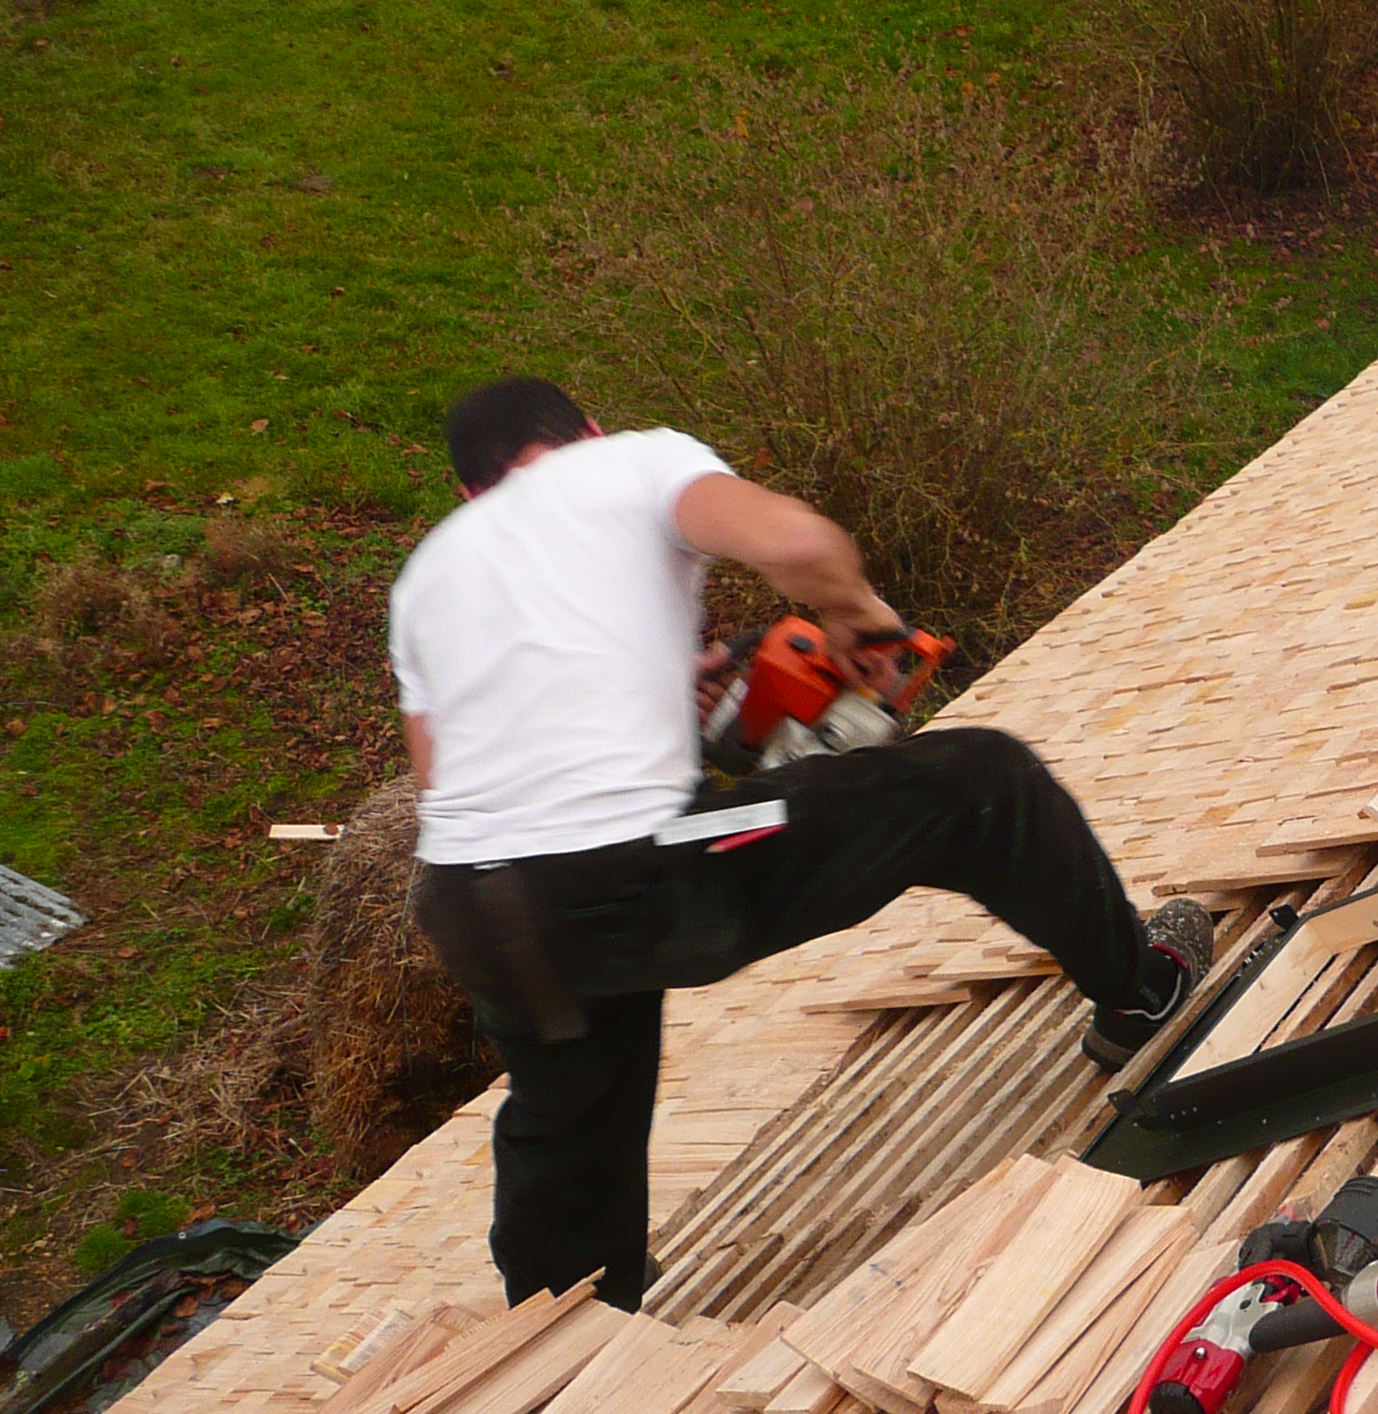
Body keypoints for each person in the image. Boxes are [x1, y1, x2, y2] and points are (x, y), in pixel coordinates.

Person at [393, 376, 1213, 1312]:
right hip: (648, 863)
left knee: (570, 1094)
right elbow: (800, 544)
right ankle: (1141, 994)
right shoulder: (630, 463)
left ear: (469, 493)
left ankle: (560, 1321)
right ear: (587, 427)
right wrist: (859, 620)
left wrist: (655, 697)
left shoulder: (428, 576)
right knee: (983, 780)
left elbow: (444, 778)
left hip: (476, 902)